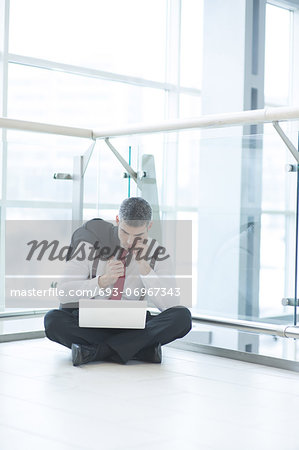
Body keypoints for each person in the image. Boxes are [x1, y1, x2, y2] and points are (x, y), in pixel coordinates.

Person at [44, 197, 192, 366]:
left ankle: (94, 352)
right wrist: (101, 281)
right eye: (124, 232)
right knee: (53, 320)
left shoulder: (157, 253)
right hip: (92, 322)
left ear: (149, 227)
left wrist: (145, 268)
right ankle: (138, 349)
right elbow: (63, 293)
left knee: (182, 317)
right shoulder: (90, 245)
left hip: (132, 325)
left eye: (138, 235)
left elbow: (170, 305)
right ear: (117, 221)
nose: (129, 242)